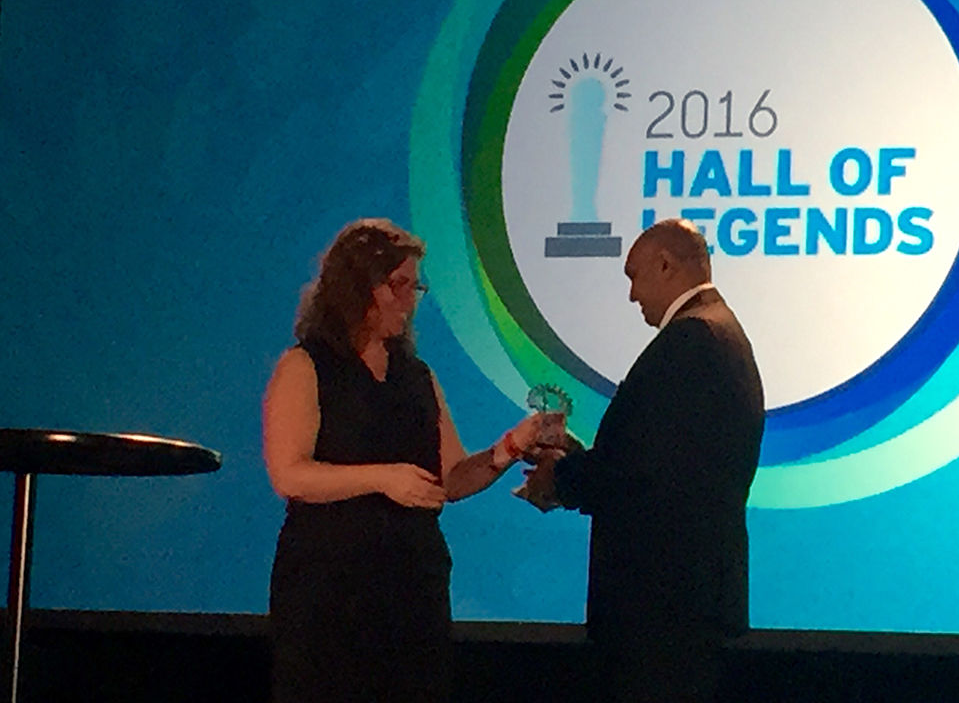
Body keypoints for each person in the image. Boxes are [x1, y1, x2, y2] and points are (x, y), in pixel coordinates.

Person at [262, 218, 542, 703]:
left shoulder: (416, 376)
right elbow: (290, 473)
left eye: (415, 287)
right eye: (398, 285)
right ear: (356, 287)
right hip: (331, 591)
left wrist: (510, 448)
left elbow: (449, 478)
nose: (410, 300)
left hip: (412, 587)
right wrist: (382, 479)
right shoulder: (305, 366)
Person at [525, 218, 765, 703]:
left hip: (661, 604)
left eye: (634, 276)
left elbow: (642, 474)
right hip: (686, 600)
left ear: (666, 265)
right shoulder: (720, 332)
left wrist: (560, 477)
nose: (632, 294)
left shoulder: (691, 340)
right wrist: (581, 459)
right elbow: (662, 459)